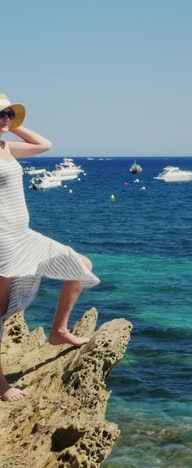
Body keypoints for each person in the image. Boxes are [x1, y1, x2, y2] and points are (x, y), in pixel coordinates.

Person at [0, 93, 100, 402]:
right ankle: (0, 384)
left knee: (80, 265)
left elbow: (45, 145)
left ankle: (59, 331)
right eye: (0, 115)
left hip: (23, 233)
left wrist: (12, 126)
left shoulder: (6, 147)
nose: (5, 118)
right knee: (0, 311)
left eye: (7, 113)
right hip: (2, 240)